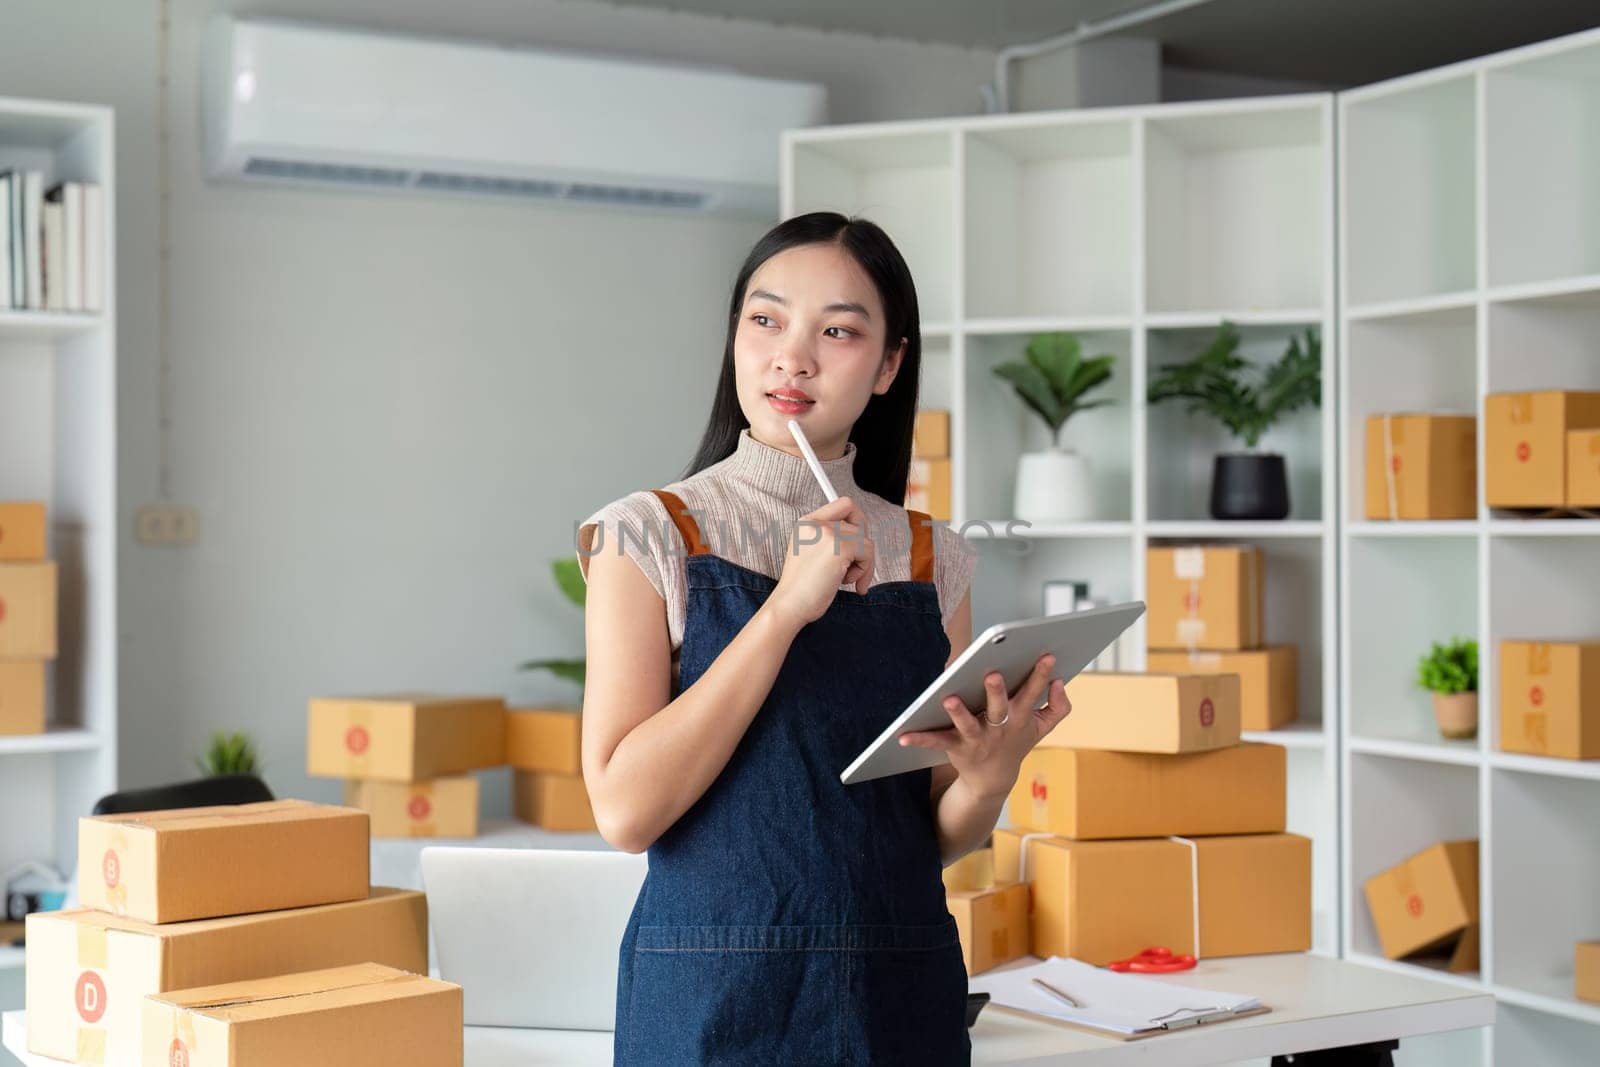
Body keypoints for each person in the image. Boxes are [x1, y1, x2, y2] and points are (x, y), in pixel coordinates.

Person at [575, 211, 1072, 1065]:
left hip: (901, 996)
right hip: (713, 1002)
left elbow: (921, 830)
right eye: (765, 320)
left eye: (838, 331)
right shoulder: (645, 534)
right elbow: (624, 809)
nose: (792, 356)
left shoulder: (930, 556)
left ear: (888, 366)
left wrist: (989, 778)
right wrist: (784, 610)